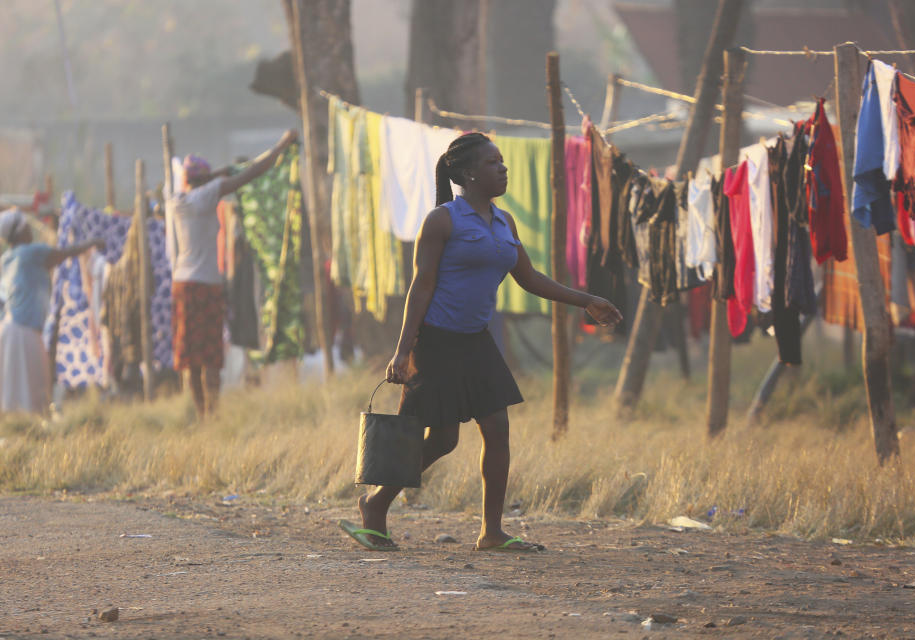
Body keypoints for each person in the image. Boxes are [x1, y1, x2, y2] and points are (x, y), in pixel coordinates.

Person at [341, 132, 622, 552]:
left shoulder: (504, 222)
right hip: (435, 343)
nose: (503, 169)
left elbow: (529, 279)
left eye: (503, 161)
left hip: (477, 341)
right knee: (441, 439)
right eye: (494, 163)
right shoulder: (442, 220)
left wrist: (588, 300)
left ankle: (492, 532)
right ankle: (376, 503)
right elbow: (421, 286)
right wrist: (403, 350)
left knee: (497, 428)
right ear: (470, 173)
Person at [168, 129, 298, 417]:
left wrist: (211, 175)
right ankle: (211, 416)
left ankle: (202, 414)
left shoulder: (177, 200)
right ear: (206, 179)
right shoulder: (208, 196)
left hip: (181, 285)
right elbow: (250, 174)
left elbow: (208, 179)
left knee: (191, 359)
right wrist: (281, 146)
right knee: (211, 357)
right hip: (206, 286)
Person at [0, 208, 105, 414]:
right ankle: (28, 427)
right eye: (26, 226)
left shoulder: (7, 258)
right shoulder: (30, 253)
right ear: (20, 232)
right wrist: (92, 243)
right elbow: (63, 254)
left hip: (10, 328)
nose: (30, 229)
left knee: (16, 387)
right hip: (24, 331)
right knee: (32, 385)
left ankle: (19, 426)